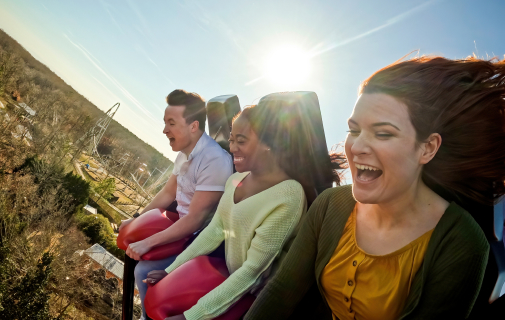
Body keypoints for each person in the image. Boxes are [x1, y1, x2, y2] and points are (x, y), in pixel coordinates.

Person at [244, 56, 505, 320]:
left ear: (427, 148)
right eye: (353, 130)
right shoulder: (329, 205)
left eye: (383, 134)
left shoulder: (462, 241)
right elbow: (280, 292)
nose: (356, 148)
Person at [145, 101, 344, 320]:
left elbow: (252, 271)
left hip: (255, 298)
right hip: (232, 278)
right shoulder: (235, 180)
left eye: (241, 141)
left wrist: (191, 317)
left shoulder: (288, 196)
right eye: (231, 139)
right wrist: (170, 270)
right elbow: (215, 230)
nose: (232, 148)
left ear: (269, 144)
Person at [119, 89, 233, 319]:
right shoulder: (184, 152)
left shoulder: (214, 160)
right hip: (179, 225)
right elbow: (168, 192)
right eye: (165, 122)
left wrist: (147, 243)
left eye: (171, 123)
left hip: (198, 238)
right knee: (131, 243)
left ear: (193, 126)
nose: (164, 130)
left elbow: (196, 219)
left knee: (144, 269)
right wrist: (138, 218)